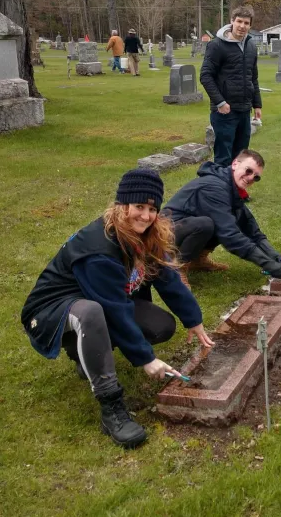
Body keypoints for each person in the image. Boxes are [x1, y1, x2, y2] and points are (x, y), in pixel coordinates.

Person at [21, 169, 214, 449]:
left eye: (152, 209)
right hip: (51, 309)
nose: (145, 216)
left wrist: (194, 320)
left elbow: (168, 278)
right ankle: (111, 406)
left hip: (97, 298)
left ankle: (86, 354)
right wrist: (146, 359)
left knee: (160, 326)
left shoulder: (145, 235)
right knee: (91, 314)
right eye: (139, 207)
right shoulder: (100, 250)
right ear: (122, 205)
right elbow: (114, 309)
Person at [162, 149, 281, 287]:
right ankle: (177, 267)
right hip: (163, 235)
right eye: (248, 171)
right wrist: (269, 265)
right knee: (206, 224)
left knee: (227, 219)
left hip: (184, 229)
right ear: (235, 164)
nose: (250, 178)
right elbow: (230, 236)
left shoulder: (231, 188)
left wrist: (278, 258)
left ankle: (198, 261)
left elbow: (253, 231)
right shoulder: (214, 187)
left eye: (256, 177)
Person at [200, 5, 262, 168]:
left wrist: (257, 104)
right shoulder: (217, 45)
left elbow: (253, 77)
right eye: (239, 21)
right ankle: (221, 193)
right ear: (232, 22)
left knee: (241, 157)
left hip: (244, 110)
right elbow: (205, 76)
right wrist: (220, 103)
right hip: (224, 111)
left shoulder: (251, 46)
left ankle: (237, 192)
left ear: (250, 25)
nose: (242, 26)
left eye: (246, 23)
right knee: (223, 158)